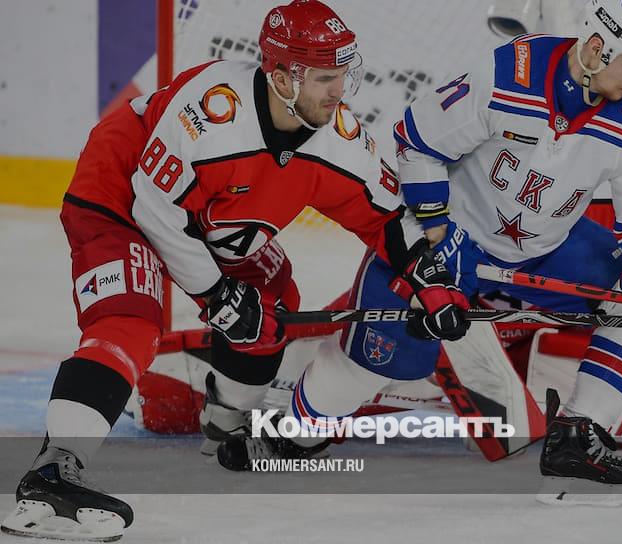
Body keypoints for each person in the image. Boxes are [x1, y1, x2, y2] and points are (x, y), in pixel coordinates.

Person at [0, 1, 468, 540]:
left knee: (269, 309)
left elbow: (387, 220)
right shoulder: (210, 114)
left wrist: (431, 282)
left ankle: (225, 422)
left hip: (216, 212)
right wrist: (216, 294)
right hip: (122, 195)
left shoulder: (339, 139)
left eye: (343, 74)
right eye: (325, 77)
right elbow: (156, 210)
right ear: (281, 77)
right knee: (130, 318)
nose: (339, 91)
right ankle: (54, 470)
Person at [214, 0, 622, 504]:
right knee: (371, 362)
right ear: (596, 50)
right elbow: (417, 141)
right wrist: (438, 234)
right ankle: (292, 438)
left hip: (546, 248)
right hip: (449, 243)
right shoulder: (511, 74)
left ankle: (579, 434)